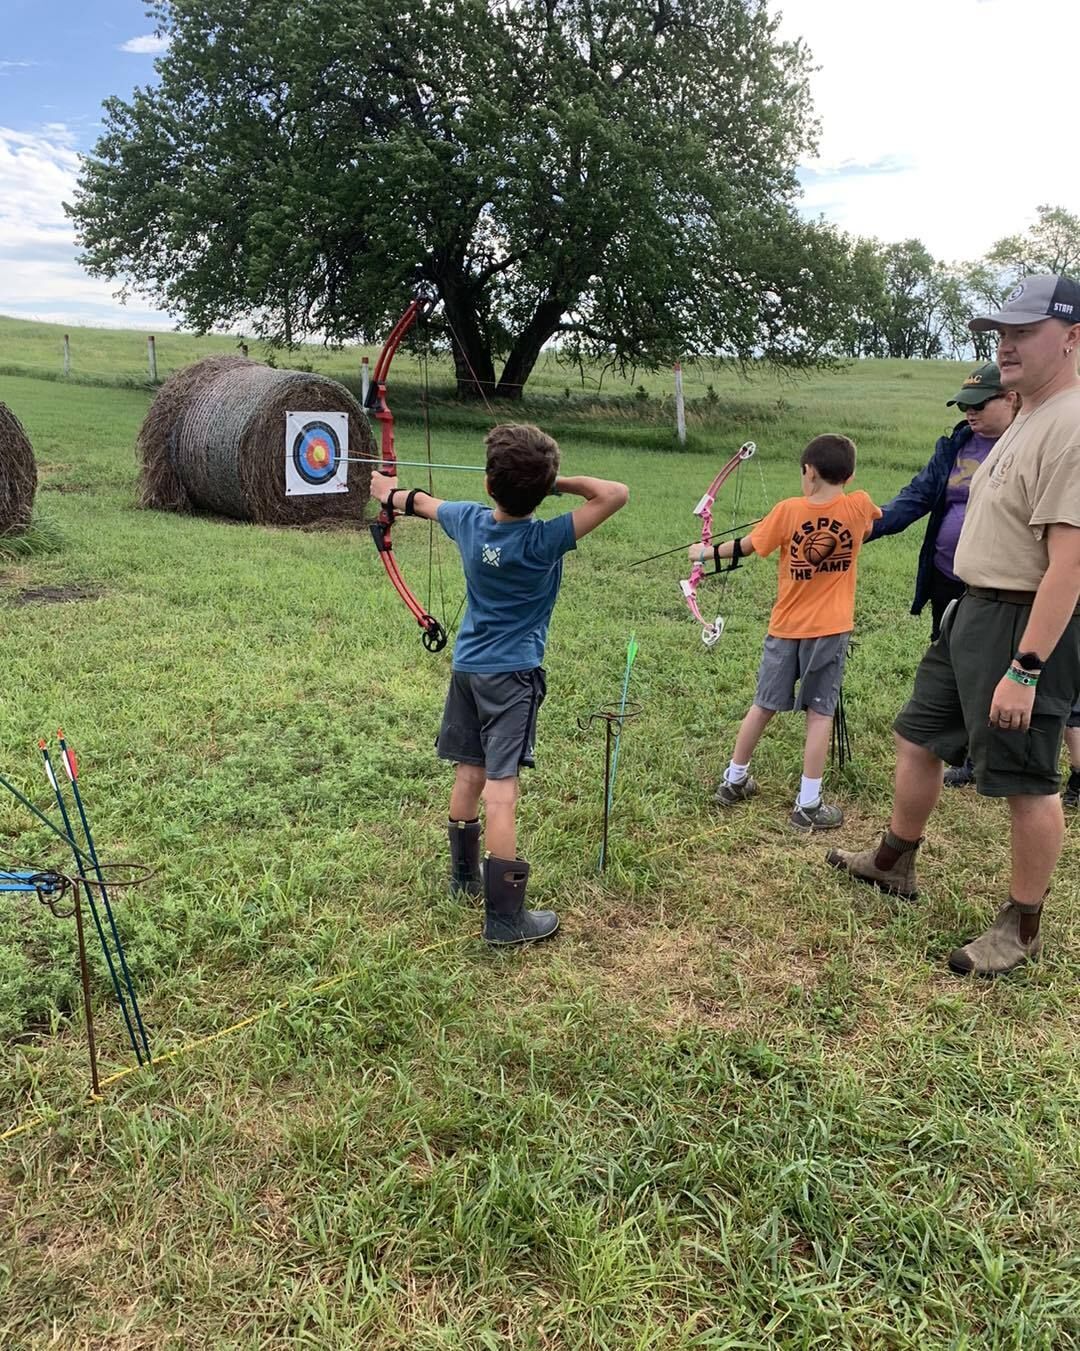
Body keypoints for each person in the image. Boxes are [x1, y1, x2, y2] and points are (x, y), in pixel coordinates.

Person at [828, 274, 1080, 977]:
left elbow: (1070, 565)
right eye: (1001, 333)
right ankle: (892, 861)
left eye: (1023, 332)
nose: (1006, 345)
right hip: (968, 608)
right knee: (918, 735)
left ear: (1072, 338)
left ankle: (1022, 926)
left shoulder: (1072, 425)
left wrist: (1027, 666)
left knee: (1027, 778)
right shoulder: (1027, 411)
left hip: (1019, 618)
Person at [371, 424, 628, 946]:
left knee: (470, 772)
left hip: (469, 670)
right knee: (502, 792)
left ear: (488, 485)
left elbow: (418, 503)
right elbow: (615, 494)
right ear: (540, 489)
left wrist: (386, 492)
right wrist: (554, 483)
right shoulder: (545, 538)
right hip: (512, 678)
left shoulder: (467, 521)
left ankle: (463, 881)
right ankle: (506, 919)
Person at [696, 434, 880, 831]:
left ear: (808, 472)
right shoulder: (860, 505)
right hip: (830, 630)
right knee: (819, 712)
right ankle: (808, 804)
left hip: (785, 628)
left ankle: (733, 781)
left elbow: (745, 547)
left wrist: (703, 553)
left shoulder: (786, 511)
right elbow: (868, 524)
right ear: (849, 474)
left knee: (763, 704)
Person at [869, 363, 1020, 787]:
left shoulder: (1026, 444)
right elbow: (918, 495)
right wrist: (869, 524)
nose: (969, 413)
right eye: (964, 405)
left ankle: (985, 758)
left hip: (996, 582)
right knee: (951, 658)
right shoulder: (955, 445)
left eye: (978, 404)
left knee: (987, 665)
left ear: (1010, 398)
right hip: (944, 573)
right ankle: (962, 747)